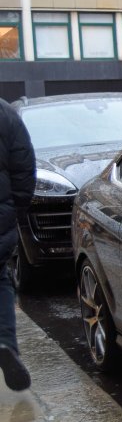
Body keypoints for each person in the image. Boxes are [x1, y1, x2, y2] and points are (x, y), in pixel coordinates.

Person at [0, 98, 35, 391]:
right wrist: (16, 212)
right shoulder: (6, 115)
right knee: (0, 280)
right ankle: (5, 343)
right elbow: (24, 168)